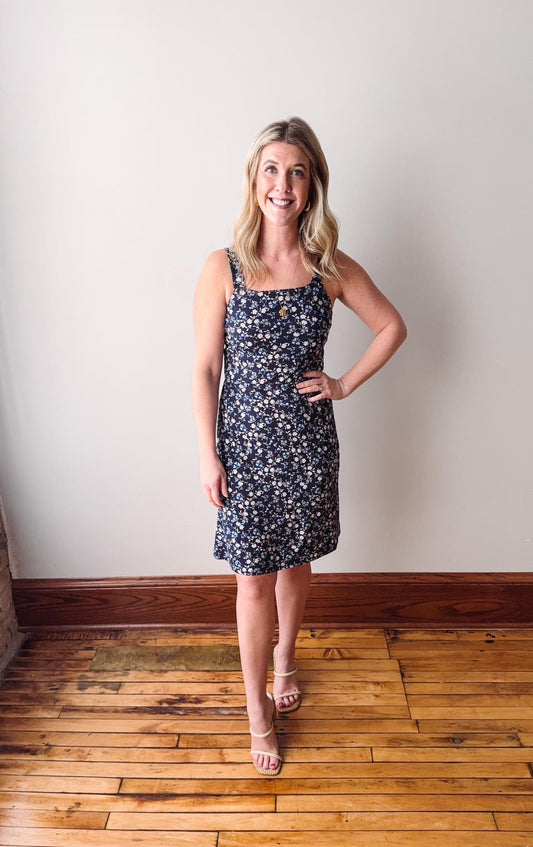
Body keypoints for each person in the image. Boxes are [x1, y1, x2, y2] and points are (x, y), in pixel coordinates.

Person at [192, 117, 407, 776]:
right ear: (254, 180)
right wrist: (208, 453)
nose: (282, 184)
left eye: (296, 171)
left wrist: (341, 383)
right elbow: (203, 368)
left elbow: (391, 326)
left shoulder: (327, 266)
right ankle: (258, 710)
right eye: (271, 169)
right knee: (250, 583)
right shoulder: (222, 266)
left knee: (296, 566)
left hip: (308, 447)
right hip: (244, 454)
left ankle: (287, 657)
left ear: (311, 185)